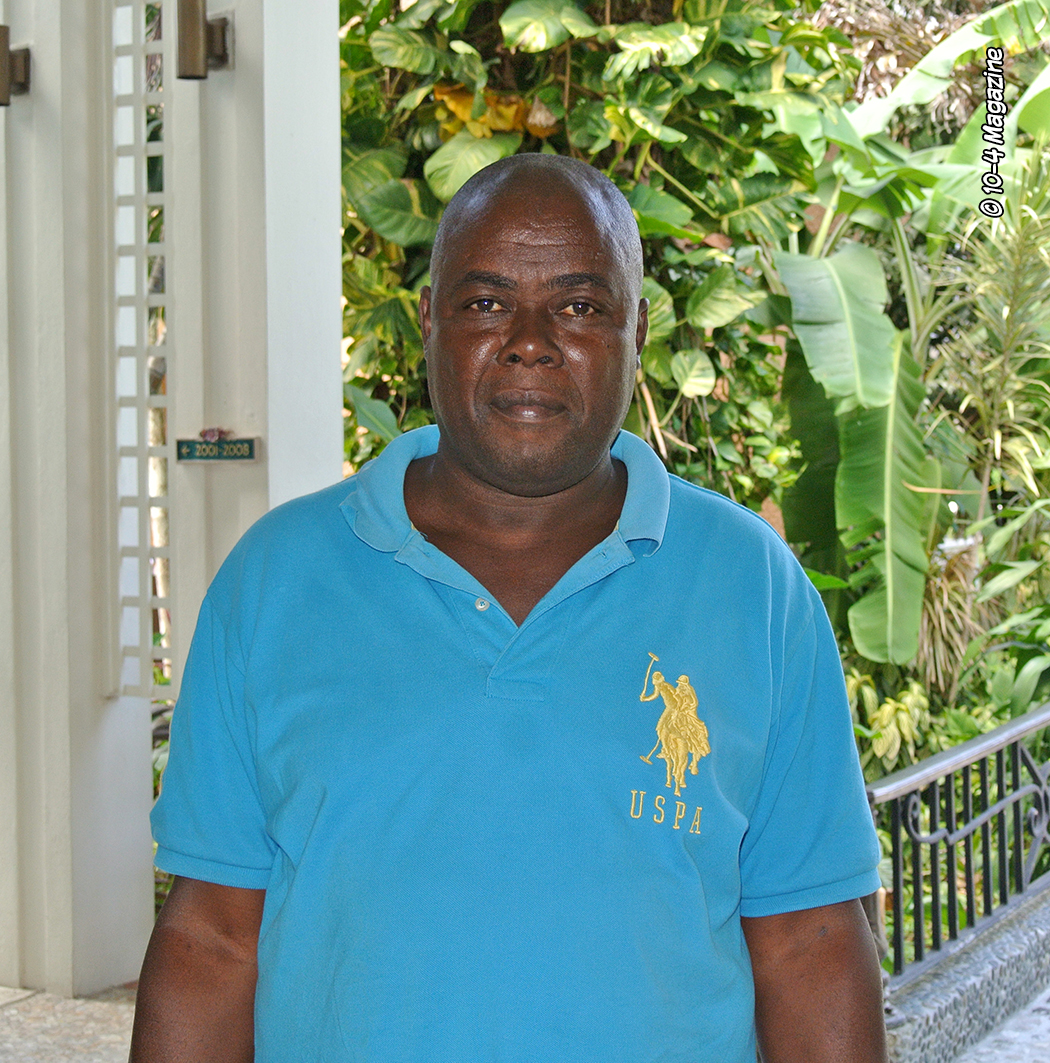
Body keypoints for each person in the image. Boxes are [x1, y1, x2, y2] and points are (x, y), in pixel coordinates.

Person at [130, 154, 887, 1063]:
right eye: (487, 303)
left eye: (580, 306)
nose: (531, 341)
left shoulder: (752, 587)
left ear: (638, 330)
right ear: (429, 322)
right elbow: (213, 939)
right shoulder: (276, 579)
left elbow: (809, 941)